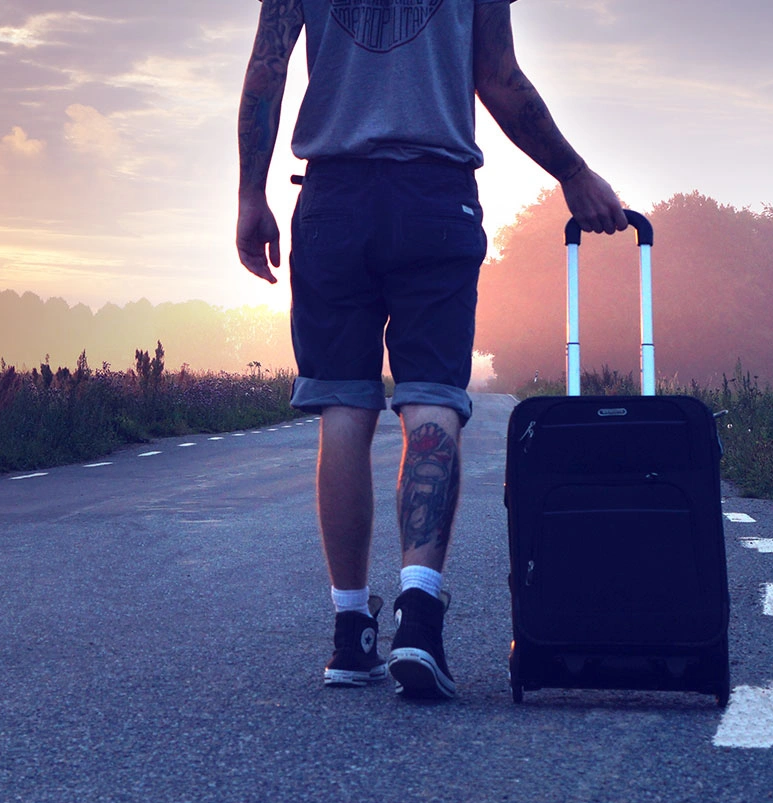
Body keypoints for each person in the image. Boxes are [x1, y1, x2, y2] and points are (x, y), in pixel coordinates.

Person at [236, 0, 627, 699]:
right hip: (435, 198)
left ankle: (351, 633)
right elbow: (499, 79)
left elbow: (267, 72)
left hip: (332, 200)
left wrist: (250, 195)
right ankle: (419, 618)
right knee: (432, 399)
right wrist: (573, 172)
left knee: (343, 408)